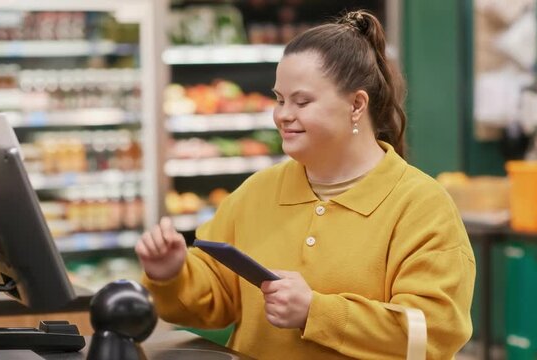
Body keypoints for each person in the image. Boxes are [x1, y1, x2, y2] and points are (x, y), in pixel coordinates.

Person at [136, 9, 475, 359]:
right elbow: (214, 298)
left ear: (357, 105)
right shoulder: (258, 192)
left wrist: (316, 312)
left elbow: (434, 332)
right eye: (279, 99)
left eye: (302, 101)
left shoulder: (421, 206)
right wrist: (171, 274)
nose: (283, 114)